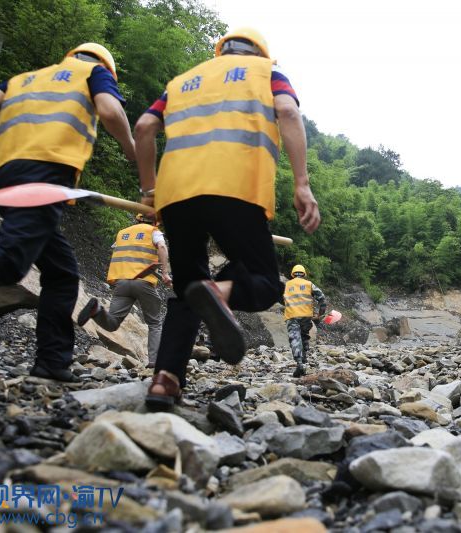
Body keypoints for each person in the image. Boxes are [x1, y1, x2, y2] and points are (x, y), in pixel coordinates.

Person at [134, 27, 320, 409]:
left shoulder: (183, 82)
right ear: (258, 52)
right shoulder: (266, 71)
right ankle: (217, 294)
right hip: (235, 187)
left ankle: (165, 381)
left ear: (220, 52)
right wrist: (302, 184)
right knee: (266, 282)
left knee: (188, 289)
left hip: (176, 195)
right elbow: (287, 110)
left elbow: (144, 127)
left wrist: (150, 190)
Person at [0, 43, 136, 382]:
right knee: (9, 260)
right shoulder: (93, 72)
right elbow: (112, 112)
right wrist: (133, 152)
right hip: (43, 177)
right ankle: (52, 362)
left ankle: (52, 363)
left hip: (11, 176)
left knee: (62, 273)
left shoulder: (26, 79)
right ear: (106, 69)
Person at [77, 213, 172, 367]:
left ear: (137, 218)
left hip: (121, 282)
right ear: (156, 221)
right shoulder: (154, 232)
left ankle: (96, 310)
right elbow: (161, 246)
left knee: (112, 323)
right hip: (143, 282)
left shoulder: (123, 233)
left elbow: (117, 249)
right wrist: (165, 274)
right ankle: (155, 361)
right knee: (154, 323)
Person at [283, 264, 327, 377]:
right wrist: (320, 314)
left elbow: (280, 299)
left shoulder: (286, 285)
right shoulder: (309, 284)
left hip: (292, 316)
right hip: (306, 316)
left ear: (292, 274)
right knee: (303, 336)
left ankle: (299, 364)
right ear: (304, 274)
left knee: (295, 338)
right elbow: (322, 298)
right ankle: (304, 358)